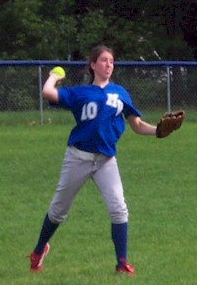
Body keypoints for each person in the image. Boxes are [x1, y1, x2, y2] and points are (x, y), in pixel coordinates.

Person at [28, 45, 157, 276]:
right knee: (58, 211)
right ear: (93, 65)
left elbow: (137, 125)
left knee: (119, 209)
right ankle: (39, 250)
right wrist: (53, 77)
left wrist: (158, 131)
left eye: (112, 61)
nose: (109, 65)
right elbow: (47, 93)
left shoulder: (120, 93)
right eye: (104, 60)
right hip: (78, 158)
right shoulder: (80, 93)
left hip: (106, 161)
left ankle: (121, 263)